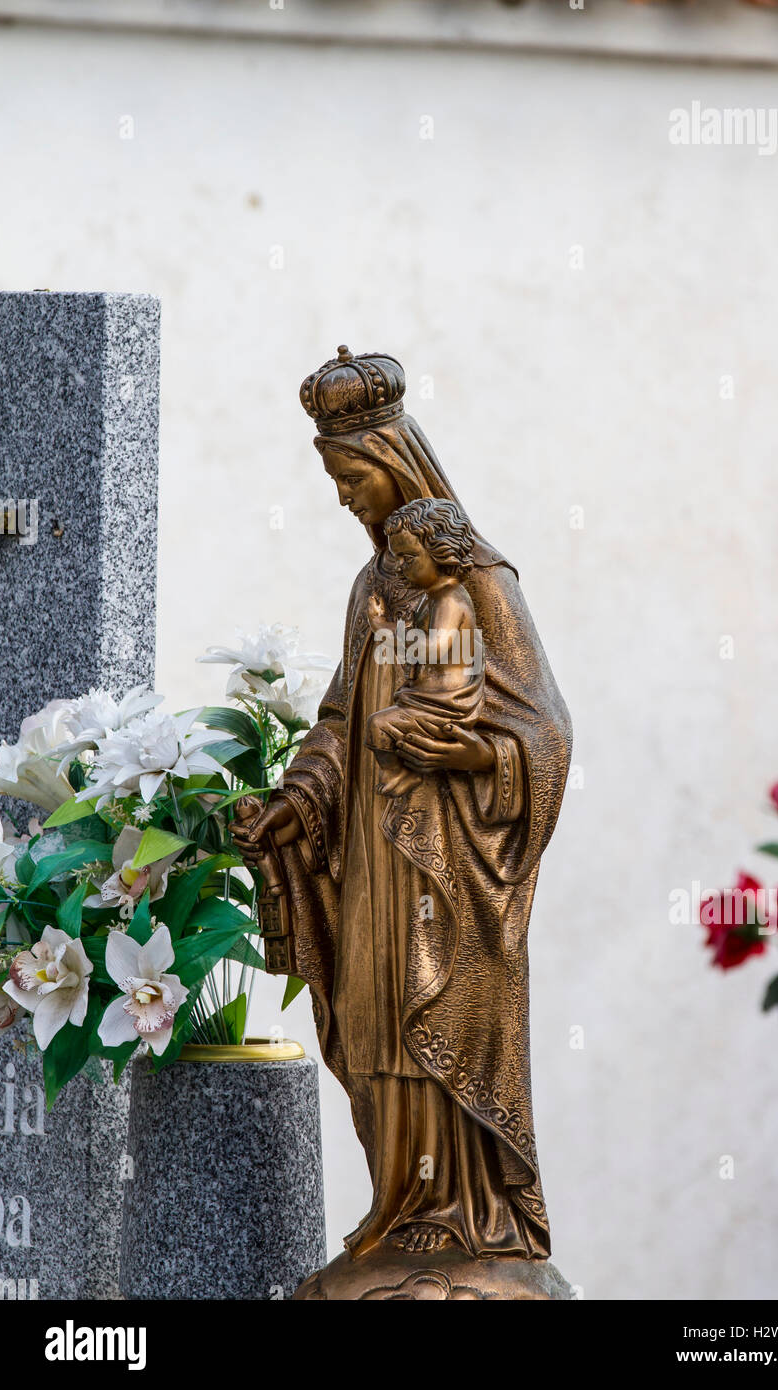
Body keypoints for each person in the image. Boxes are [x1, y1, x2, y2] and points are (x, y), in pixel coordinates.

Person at [233, 346, 571, 1261]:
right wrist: (293, 804)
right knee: (377, 1014)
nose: (344, 499)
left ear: (390, 465)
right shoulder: (370, 588)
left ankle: (469, 1220)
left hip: (450, 859)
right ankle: (399, 1211)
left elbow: (544, 729)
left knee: (436, 1017)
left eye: (350, 478)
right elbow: (341, 720)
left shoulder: (482, 588)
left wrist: (470, 752)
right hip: (375, 857)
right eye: (335, 482)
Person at [365, 497, 483, 799]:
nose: (401, 567)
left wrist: (383, 629)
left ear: (439, 551)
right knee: (379, 727)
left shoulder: (449, 599)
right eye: (397, 558)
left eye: (409, 558)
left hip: (446, 704)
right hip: (425, 697)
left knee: (378, 725)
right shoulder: (431, 597)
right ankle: (399, 773)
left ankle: (399, 774)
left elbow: (434, 648)